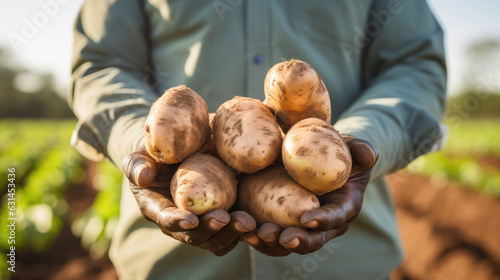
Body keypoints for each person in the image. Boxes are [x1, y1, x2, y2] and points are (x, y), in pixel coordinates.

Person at [68, 0, 447, 279]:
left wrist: (359, 141)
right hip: (168, 263)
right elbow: (101, 62)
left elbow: (414, 62)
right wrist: (142, 140)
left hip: (347, 264)